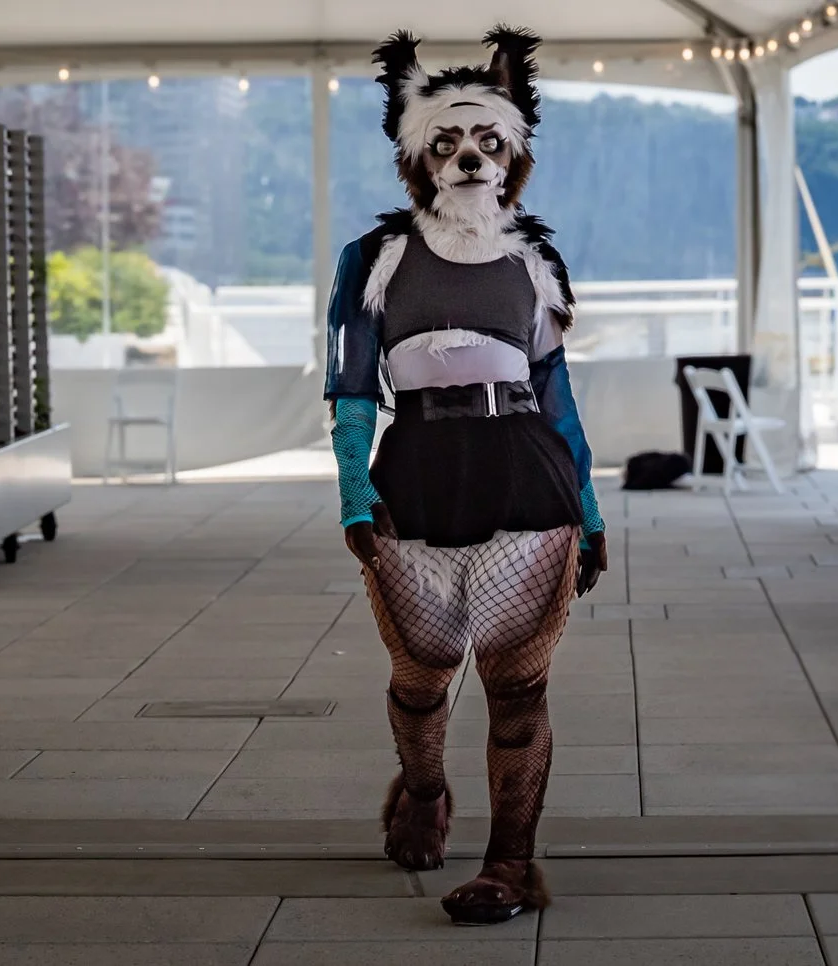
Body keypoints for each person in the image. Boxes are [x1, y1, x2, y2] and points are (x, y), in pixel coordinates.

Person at [324, 25, 607, 926]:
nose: (470, 158)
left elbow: (557, 395)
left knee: (518, 686)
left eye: (488, 140)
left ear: (514, 151)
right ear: (418, 157)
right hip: (415, 473)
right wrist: (353, 490)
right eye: (447, 143)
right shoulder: (374, 261)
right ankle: (422, 788)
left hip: (526, 473)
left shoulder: (535, 262)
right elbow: (350, 388)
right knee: (422, 673)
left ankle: (510, 864)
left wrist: (591, 510)